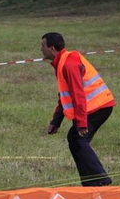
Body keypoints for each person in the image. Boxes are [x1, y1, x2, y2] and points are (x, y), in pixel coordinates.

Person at [41, 32, 115, 186]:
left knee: (78, 139)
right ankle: (91, 182)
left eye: (43, 46)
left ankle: (100, 179)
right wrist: (56, 122)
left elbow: (78, 94)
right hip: (94, 107)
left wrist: (81, 124)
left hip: (97, 107)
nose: (41, 49)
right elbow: (65, 96)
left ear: (52, 48)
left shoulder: (68, 63)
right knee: (75, 140)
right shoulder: (61, 62)